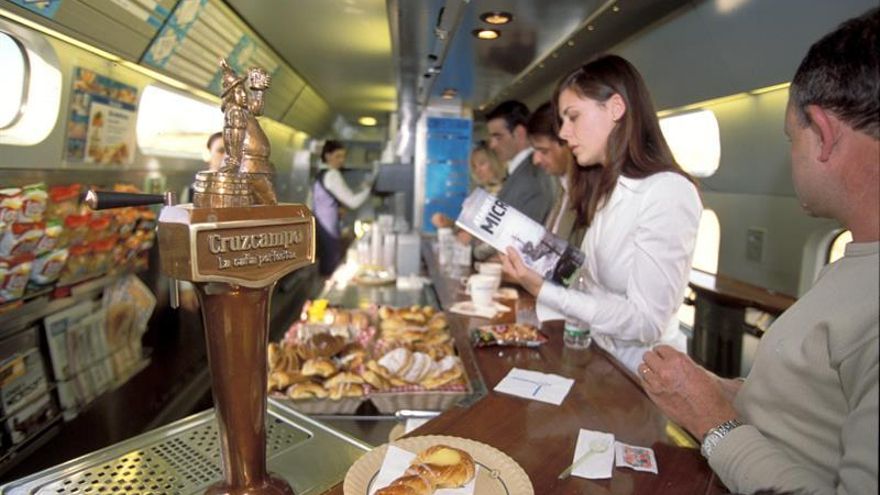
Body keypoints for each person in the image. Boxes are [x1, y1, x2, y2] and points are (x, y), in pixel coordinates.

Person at [638, 9, 878, 495]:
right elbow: (812, 415)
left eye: (792, 138)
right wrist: (716, 390)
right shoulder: (855, 263)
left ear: (824, 133)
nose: (790, 156)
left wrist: (712, 420)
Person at [500, 55, 701, 373]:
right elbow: (591, 287)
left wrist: (543, 289)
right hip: (599, 360)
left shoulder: (667, 192)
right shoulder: (607, 188)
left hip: (641, 376)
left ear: (616, 108)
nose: (564, 134)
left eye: (573, 117)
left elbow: (646, 322)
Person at [486, 100, 557, 224]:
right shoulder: (520, 172)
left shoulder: (534, 176)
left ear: (519, 133)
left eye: (498, 137)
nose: (492, 145)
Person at [526, 101, 585, 247]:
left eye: (543, 151)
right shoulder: (563, 188)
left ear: (568, 144)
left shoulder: (588, 196)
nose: (536, 160)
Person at [312, 139, 373, 276]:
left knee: (325, 259)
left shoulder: (320, 174)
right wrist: (369, 188)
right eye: (337, 156)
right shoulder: (333, 175)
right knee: (331, 262)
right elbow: (353, 202)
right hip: (329, 227)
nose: (341, 160)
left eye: (343, 156)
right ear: (327, 156)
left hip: (320, 225)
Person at [431, 141, 506, 229]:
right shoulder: (479, 195)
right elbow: (469, 230)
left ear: (494, 161)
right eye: (474, 166)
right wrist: (448, 223)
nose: (478, 170)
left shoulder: (510, 190)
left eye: (482, 163)